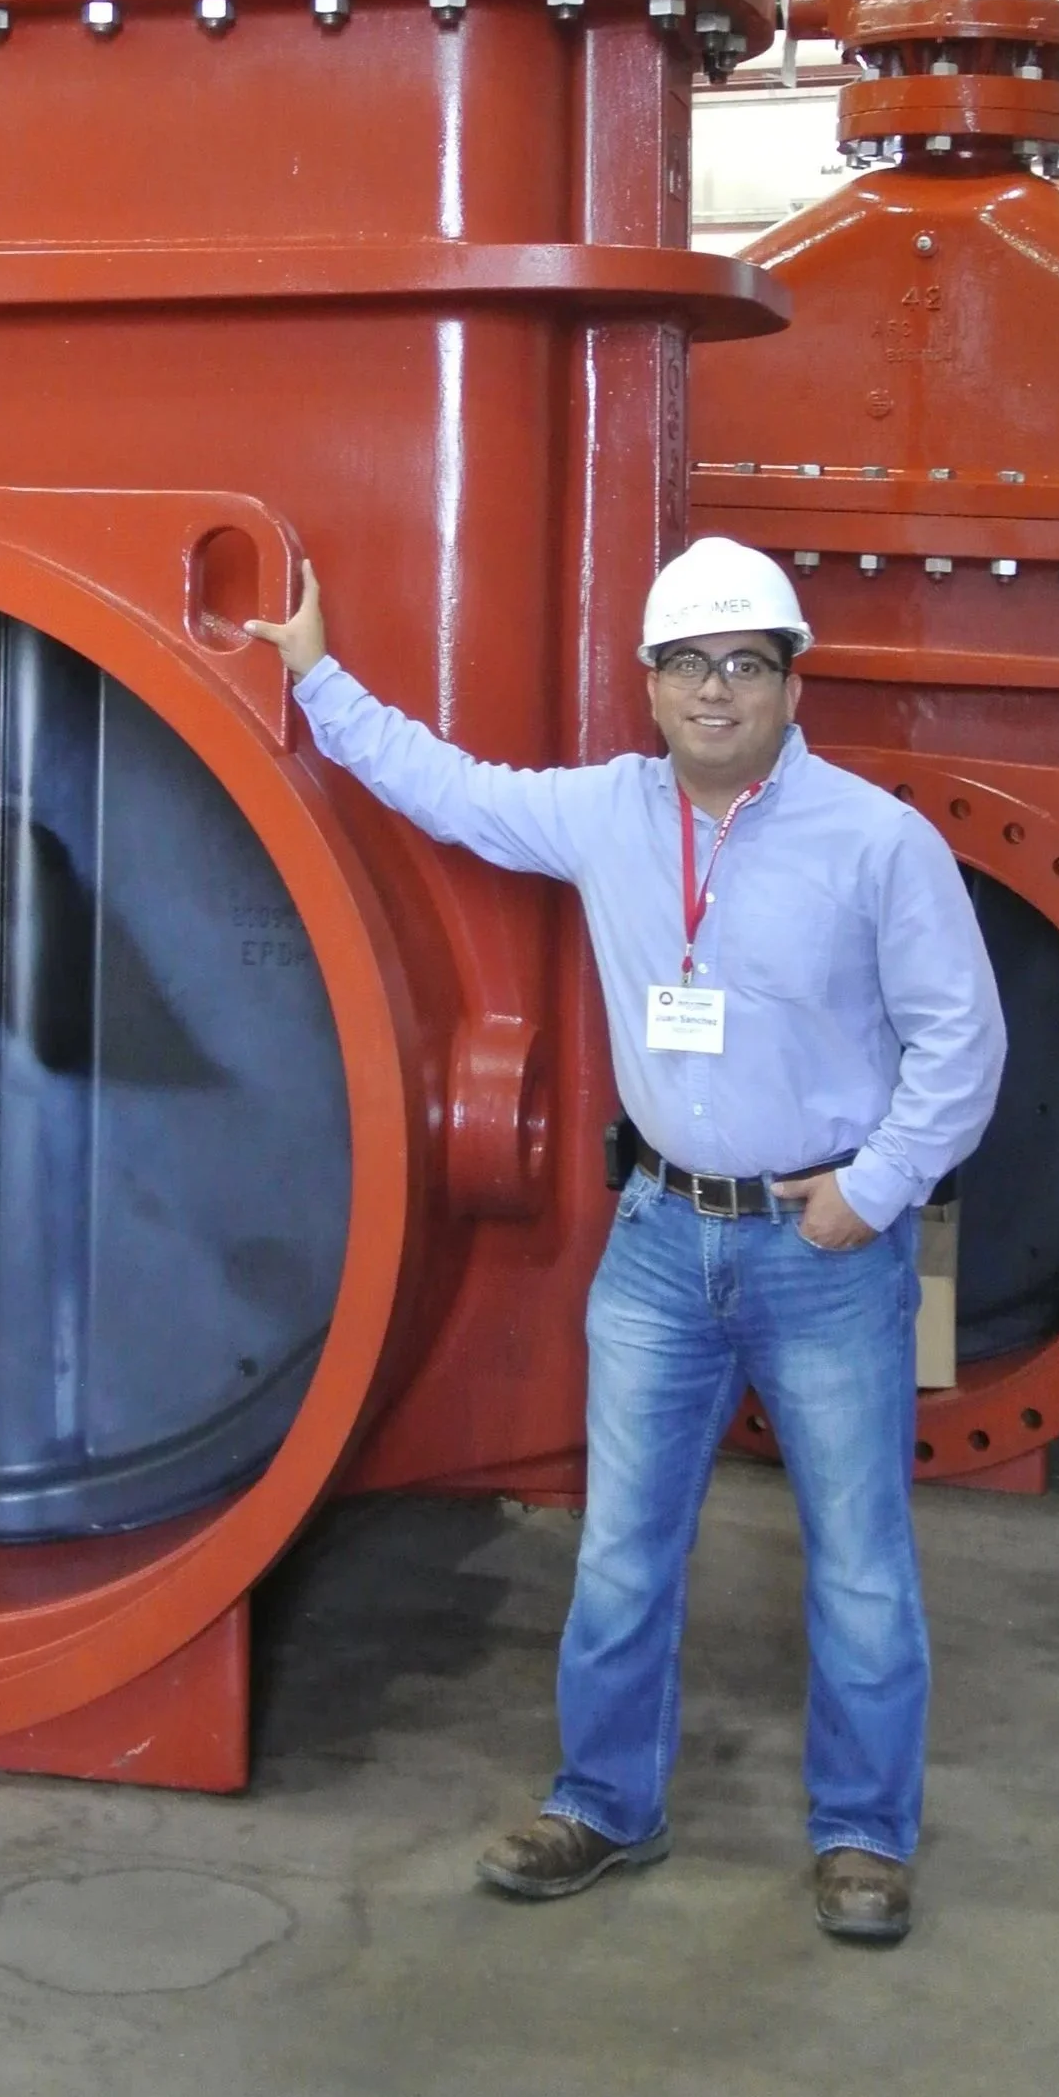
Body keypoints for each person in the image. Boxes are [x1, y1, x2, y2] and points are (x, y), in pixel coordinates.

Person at [245, 535, 1005, 1946]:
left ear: (788, 681)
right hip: (659, 1241)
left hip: (822, 1247)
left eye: (743, 664)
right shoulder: (605, 813)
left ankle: (860, 1835)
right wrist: (316, 678)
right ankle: (603, 1801)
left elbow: (963, 1042)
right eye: (686, 665)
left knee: (855, 1560)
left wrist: (877, 1187)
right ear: (646, 685)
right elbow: (450, 791)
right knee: (621, 1552)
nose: (713, 690)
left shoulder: (875, 842)